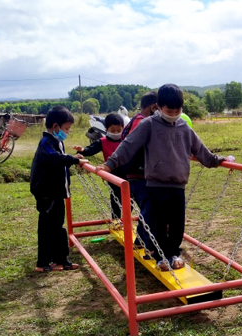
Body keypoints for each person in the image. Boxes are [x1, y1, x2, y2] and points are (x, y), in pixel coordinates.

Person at [96, 84, 233, 271]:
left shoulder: (184, 127)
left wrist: (219, 160)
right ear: (158, 106)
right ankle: (160, 256)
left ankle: (173, 254)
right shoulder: (148, 125)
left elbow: (200, 150)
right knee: (158, 223)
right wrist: (109, 164)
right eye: (170, 110)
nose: (174, 113)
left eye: (178, 110)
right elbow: (128, 146)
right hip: (155, 184)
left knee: (177, 224)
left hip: (178, 184)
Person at [30, 106, 88, 273]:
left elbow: (60, 161)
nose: (67, 132)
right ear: (56, 127)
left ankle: (61, 259)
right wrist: (74, 160)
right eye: (66, 129)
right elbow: (54, 158)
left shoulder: (57, 142)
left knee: (58, 226)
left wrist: (74, 159)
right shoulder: (46, 143)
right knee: (48, 228)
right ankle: (43, 262)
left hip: (56, 193)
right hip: (47, 194)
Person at [119, 91, 159, 250]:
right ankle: (145, 242)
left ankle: (142, 240)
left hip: (136, 171)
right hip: (139, 172)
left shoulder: (134, 120)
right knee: (149, 207)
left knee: (147, 207)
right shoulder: (142, 122)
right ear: (154, 107)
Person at [73, 113, 125, 219]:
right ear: (106, 130)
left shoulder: (126, 140)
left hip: (127, 172)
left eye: (119, 131)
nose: (116, 133)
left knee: (130, 197)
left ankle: (126, 219)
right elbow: (91, 149)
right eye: (113, 130)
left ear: (123, 129)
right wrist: (82, 150)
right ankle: (116, 220)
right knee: (115, 196)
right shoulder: (103, 141)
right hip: (112, 173)